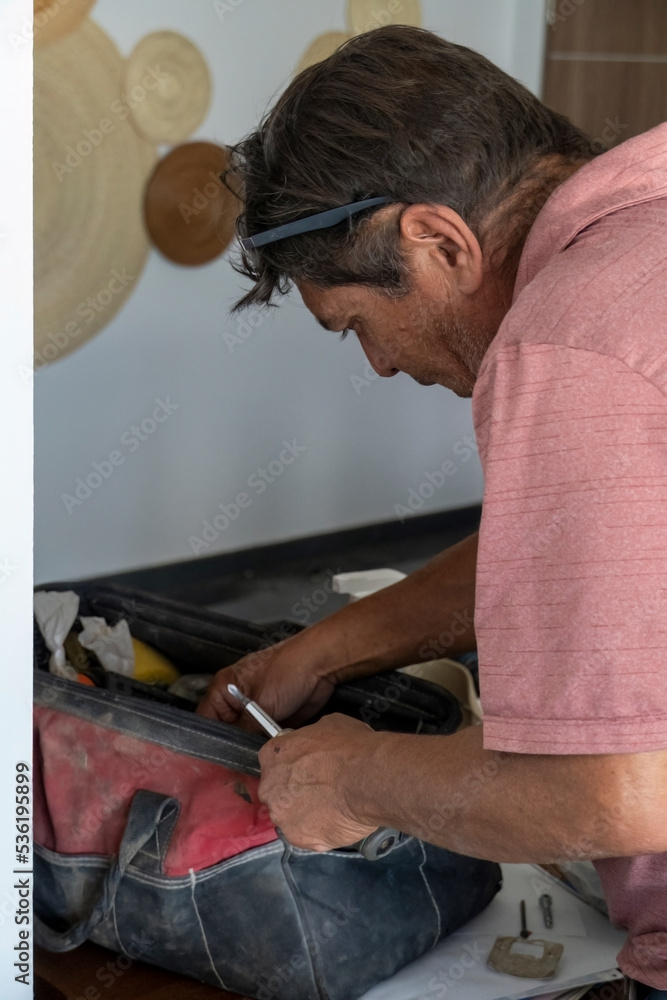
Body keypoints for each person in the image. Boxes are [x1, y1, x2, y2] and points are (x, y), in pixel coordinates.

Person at [197, 26, 667, 994]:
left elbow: (618, 793)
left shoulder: (569, 347)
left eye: (357, 325)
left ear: (438, 239)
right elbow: (579, 547)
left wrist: (352, 780)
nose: (378, 365)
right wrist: (324, 651)